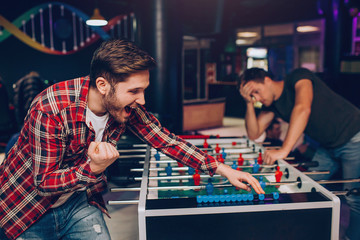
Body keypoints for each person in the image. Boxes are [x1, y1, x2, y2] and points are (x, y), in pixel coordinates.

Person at [0, 39, 264, 240]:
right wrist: (92, 169)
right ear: (103, 85)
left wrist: (221, 168)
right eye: (134, 91)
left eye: (144, 90)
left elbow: (165, 139)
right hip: (27, 209)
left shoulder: (124, 106)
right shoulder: (52, 108)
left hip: (77, 201)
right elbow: (43, 182)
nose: (142, 100)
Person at [238, 67, 360, 240]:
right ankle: (310, 228)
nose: (257, 98)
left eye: (256, 92)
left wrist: (284, 150)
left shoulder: (298, 77)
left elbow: (303, 108)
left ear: (266, 79)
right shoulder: (273, 106)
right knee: (302, 185)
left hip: (353, 135)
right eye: (252, 96)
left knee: (354, 199)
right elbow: (254, 133)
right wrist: (248, 103)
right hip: (328, 145)